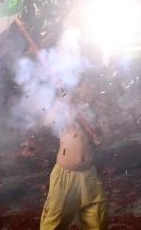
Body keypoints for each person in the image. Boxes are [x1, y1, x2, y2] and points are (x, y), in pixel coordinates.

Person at [40, 77, 112, 229]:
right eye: (88, 86)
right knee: (54, 223)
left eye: (94, 86)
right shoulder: (67, 109)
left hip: (89, 175)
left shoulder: (97, 112)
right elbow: (47, 122)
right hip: (65, 176)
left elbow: (108, 139)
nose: (91, 90)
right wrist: (60, 104)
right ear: (78, 88)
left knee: (97, 221)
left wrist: (100, 138)